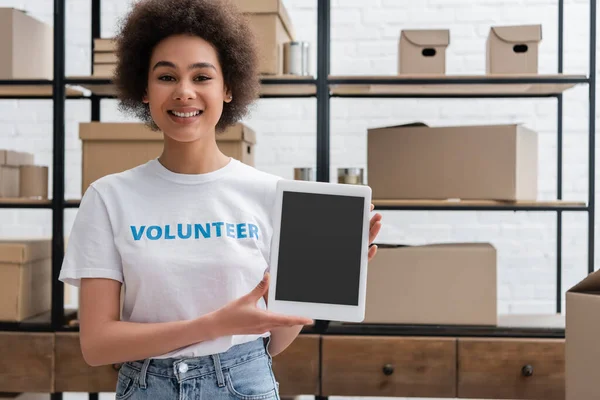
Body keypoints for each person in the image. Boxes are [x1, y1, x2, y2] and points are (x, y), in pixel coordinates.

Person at [59, 0, 383, 398]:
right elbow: (96, 345)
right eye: (166, 77)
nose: (184, 92)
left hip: (245, 381)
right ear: (143, 89)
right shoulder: (108, 197)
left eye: (201, 76)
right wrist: (213, 326)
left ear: (228, 88)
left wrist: (321, 278)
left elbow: (276, 343)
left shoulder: (275, 196)